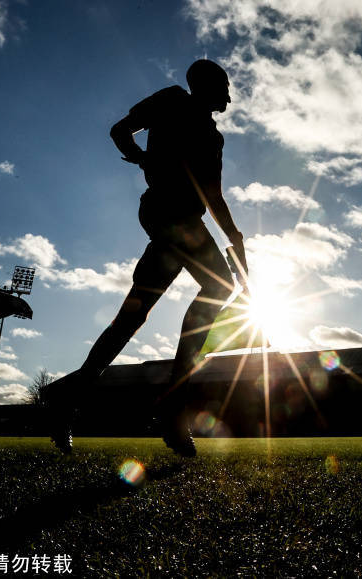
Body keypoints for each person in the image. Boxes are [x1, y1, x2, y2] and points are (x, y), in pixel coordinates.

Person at [41, 59, 247, 456]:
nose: (227, 93)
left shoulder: (214, 137)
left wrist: (236, 237)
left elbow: (213, 196)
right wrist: (140, 157)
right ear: (204, 85)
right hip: (166, 213)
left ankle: (67, 403)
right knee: (218, 285)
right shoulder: (171, 100)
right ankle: (173, 409)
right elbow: (120, 130)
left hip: (186, 220)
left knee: (133, 317)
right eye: (222, 85)